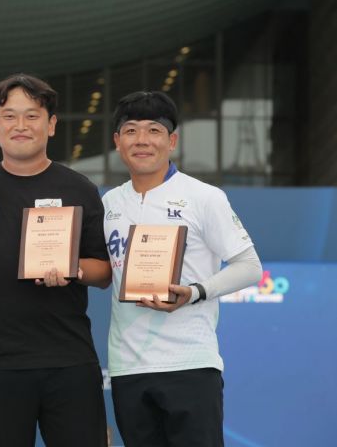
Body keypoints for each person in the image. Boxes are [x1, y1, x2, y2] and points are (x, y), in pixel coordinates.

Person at [102, 91, 263, 447]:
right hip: (128, 368)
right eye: (130, 130)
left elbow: (250, 267)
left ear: (172, 140)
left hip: (189, 363)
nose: (142, 140)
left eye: (154, 131)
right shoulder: (110, 203)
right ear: (117, 141)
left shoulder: (204, 196)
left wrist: (195, 292)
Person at [0, 74, 111, 447]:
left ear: (51, 125)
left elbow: (104, 271)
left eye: (32, 116)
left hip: (69, 360)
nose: (20, 126)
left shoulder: (79, 188)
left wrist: (75, 271)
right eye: (9, 116)